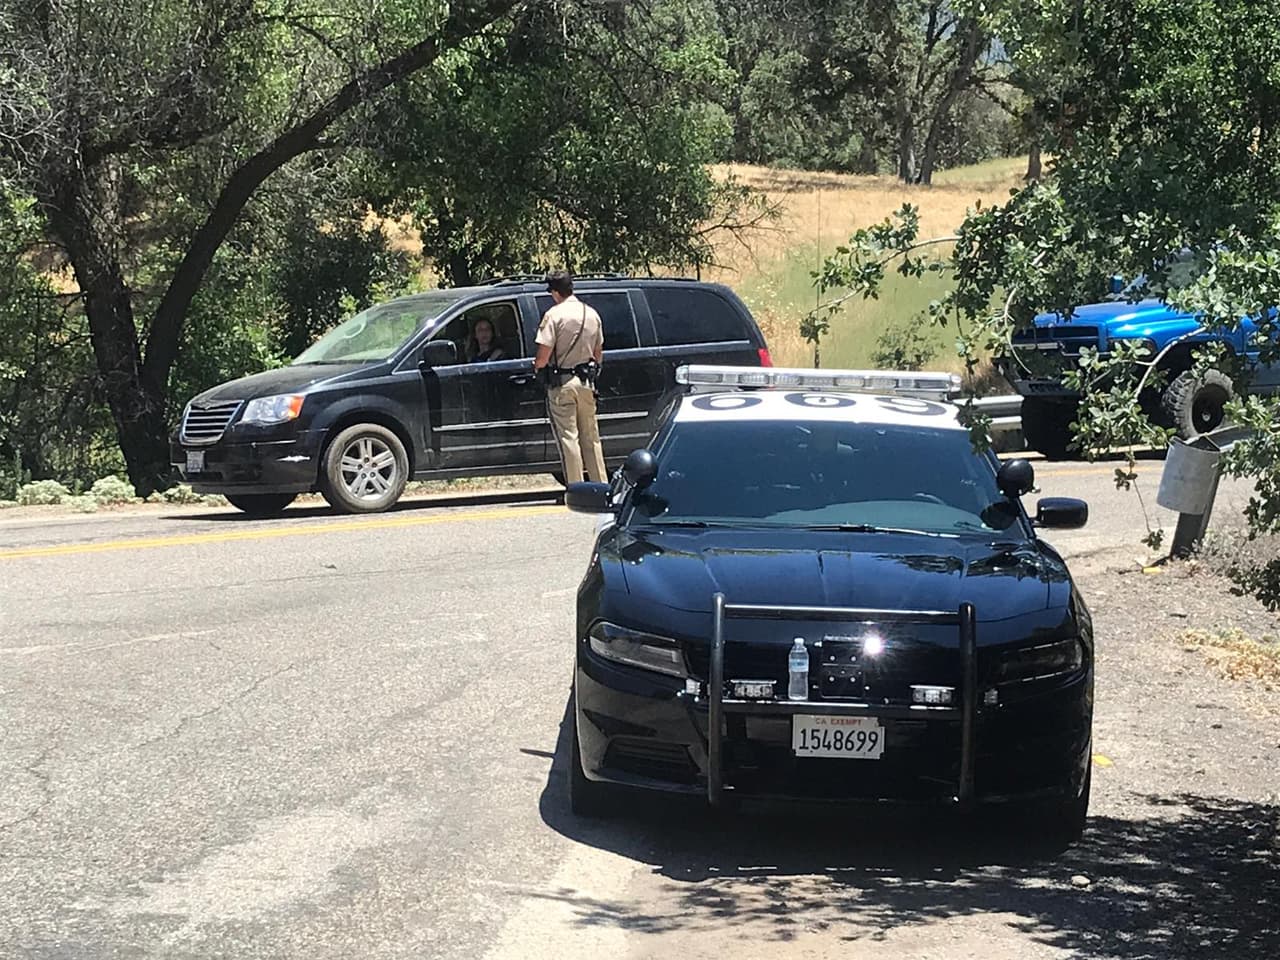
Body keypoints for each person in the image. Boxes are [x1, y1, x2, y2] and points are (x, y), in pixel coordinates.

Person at [533, 271, 606, 483]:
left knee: (568, 438)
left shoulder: (553, 316)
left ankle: (576, 488)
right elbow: (598, 353)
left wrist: (537, 367)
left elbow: (543, 357)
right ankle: (601, 487)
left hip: (562, 384)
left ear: (555, 292)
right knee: (591, 439)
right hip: (586, 383)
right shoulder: (591, 314)